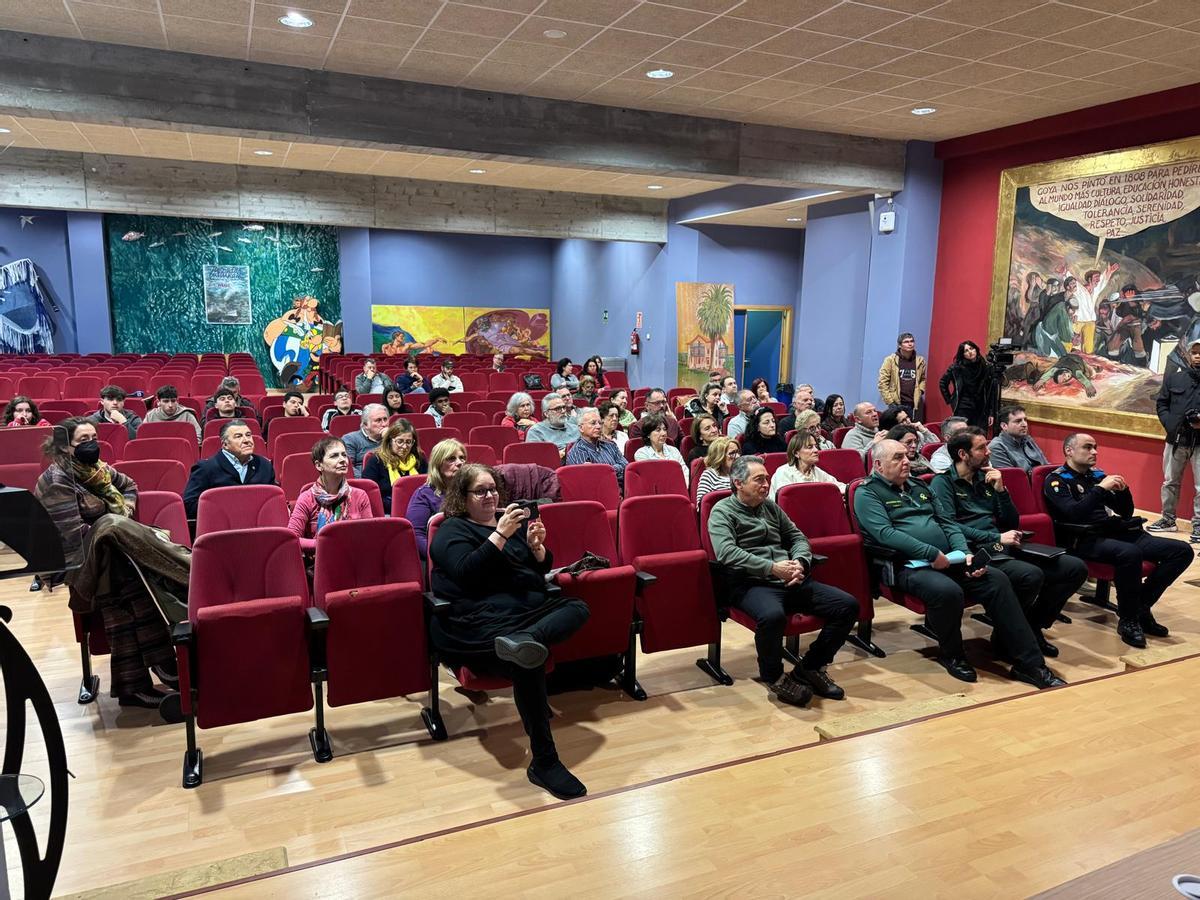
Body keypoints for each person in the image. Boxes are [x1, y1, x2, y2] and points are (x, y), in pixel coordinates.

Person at [430, 463, 590, 799]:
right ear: (462, 496)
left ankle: (527, 641)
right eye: (481, 491)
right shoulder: (450, 532)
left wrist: (537, 550)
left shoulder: (510, 526)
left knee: (578, 607)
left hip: (521, 618)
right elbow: (466, 574)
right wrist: (500, 535)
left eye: (493, 489)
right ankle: (545, 762)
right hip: (477, 623)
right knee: (526, 663)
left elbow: (533, 573)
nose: (490, 496)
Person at [854, 440, 1063, 688]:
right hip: (906, 565)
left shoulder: (919, 485)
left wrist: (964, 553)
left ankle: (1030, 665)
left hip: (949, 558)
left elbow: (948, 523)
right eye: (898, 457)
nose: (906, 461)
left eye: (906, 456)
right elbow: (886, 534)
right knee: (948, 591)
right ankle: (952, 654)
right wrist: (931, 553)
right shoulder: (866, 492)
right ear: (878, 465)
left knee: (997, 579)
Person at [35, 418, 180, 713]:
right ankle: (158, 664)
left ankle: (143, 677)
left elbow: (129, 485)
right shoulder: (56, 480)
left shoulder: (98, 469)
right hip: (77, 561)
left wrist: (122, 514)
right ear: (65, 446)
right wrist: (115, 527)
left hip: (114, 553)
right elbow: (71, 536)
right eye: (83, 440)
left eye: (94, 437)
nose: (91, 444)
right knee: (125, 574)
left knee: (129, 576)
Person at [708, 455, 859, 705]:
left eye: (767, 478)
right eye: (759, 480)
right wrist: (772, 568)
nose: (766, 484)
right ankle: (775, 677)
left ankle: (810, 667)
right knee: (772, 617)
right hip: (750, 582)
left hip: (789, 577)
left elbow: (798, 538)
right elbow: (726, 553)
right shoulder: (722, 511)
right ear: (738, 483)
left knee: (847, 605)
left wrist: (800, 562)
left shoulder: (770, 507)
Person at [931, 428, 1088, 657]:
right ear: (963, 454)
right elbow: (949, 526)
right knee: (1030, 575)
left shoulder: (988, 477)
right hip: (978, 549)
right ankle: (1010, 635)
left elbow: (1011, 520)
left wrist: (1001, 490)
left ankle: (1030, 626)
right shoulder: (942, 483)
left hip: (1003, 544)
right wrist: (995, 538)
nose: (988, 451)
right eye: (981, 447)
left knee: (1074, 568)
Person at [1043, 433, 1193, 648]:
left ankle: (1139, 607)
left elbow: (1125, 512)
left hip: (1114, 532)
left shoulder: (1095, 476)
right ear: (1069, 450)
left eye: (1095, 447)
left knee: (1182, 551)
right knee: (1129, 554)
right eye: (1087, 447)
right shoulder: (1057, 480)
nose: (1094, 452)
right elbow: (1073, 514)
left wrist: (1123, 492)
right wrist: (1100, 489)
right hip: (1083, 538)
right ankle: (1129, 620)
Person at [1149, 338, 1200, 537]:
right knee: (1169, 482)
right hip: (1176, 440)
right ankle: (1168, 519)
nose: (1198, 356)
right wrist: (1171, 425)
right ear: (1187, 354)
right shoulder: (1174, 379)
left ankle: (1198, 525)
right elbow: (1162, 404)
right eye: (1194, 352)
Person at [287, 436, 374, 552]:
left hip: (354, 559)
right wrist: (325, 544)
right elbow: (292, 538)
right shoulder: (307, 498)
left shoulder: (360, 495)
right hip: (319, 561)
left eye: (344, 454)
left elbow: (370, 535)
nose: (343, 459)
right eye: (334, 456)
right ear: (319, 465)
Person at [182, 419, 276, 518]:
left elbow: (273, 500)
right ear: (225, 444)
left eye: (248, 435)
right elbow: (189, 505)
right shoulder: (206, 468)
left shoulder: (265, 465)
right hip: (220, 526)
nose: (246, 440)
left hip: (258, 525)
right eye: (238, 436)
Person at [407, 439, 467, 557]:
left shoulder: (471, 490)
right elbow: (416, 535)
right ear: (438, 464)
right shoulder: (423, 495)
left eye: (462, 458)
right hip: (443, 555)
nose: (460, 462)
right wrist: (440, 556)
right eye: (451, 459)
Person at [364, 419, 427, 513]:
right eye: (400, 441)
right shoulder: (376, 460)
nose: (404, 447)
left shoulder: (419, 459)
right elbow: (370, 495)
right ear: (390, 441)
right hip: (387, 512)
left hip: (419, 508)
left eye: (408, 442)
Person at [769, 431, 845, 500]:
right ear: (796, 453)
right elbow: (788, 502)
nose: (816, 450)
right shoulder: (783, 473)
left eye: (816, 446)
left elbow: (838, 486)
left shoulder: (815, 471)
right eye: (810, 447)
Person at [565, 408, 627, 488]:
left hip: (621, 487)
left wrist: (607, 470)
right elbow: (590, 481)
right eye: (593, 423)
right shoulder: (577, 452)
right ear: (581, 428)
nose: (598, 426)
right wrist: (615, 469)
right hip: (598, 493)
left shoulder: (610, 445)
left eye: (600, 423)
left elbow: (625, 465)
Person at [938, 340, 992, 429]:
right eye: (966, 351)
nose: (970, 352)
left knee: (978, 434)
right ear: (962, 354)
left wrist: (990, 412)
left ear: (976, 349)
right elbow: (943, 382)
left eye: (971, 348)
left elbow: (990, 390)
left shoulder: (986, 366)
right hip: (963, 406)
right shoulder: (956, 368)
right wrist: (950, 400)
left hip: (981, 407)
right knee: (963, 434)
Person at [987, 406, 1049, 472]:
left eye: (1025, 420)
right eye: (1018, 421)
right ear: (1004, 426)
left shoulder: (1028, 439)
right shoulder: (996, 447)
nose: (1024, 424)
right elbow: (1011, 477)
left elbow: (1046, 465)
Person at [878, 332, 926, 417]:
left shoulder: (920, 361)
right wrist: (890, 402)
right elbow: (882, 383)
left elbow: (922, 379)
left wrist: (920, 391)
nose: (910, 344)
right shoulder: (890, 360)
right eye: (906, 342)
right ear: (900, 345)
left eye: (912, 341)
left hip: (913, 403)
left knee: (910, 427)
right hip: (896, 403)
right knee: (896, 428)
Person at [633, 411, 687, 484]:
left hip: (679, 489)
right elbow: (651, 478)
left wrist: (682, 486)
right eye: (658, 430)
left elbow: (685, 472)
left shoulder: (674, 450)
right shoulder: (641, 454)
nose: (663, 433)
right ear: (648, 434)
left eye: (664, 429)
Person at [341, 404, 389, 477]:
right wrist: (368, 482)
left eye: (385, 419)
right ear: (365, 425)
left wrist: (390, 438)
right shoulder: (350, 439)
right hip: (364, 482)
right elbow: (348, 467)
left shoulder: (393, 439)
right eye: (378, 420)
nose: (384, 424)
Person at [695, 436, 739, 509]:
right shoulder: (709, 475)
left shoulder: (744, 472)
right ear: (719, 457)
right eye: (732, 453)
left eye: (737, 452)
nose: (737, 456)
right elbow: (702, 506)